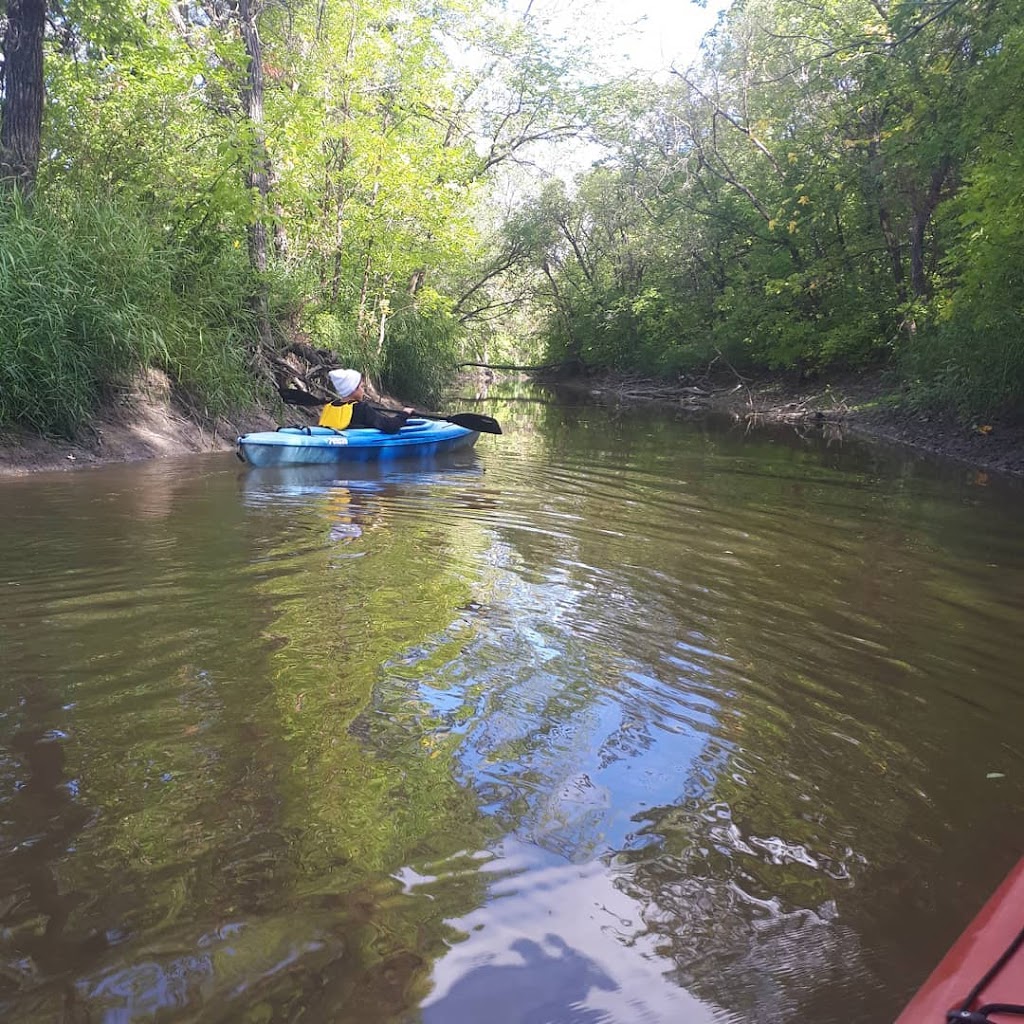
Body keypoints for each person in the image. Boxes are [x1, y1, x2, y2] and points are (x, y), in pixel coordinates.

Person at [320, 368, 414, 434]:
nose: (363, 391)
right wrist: (404, 414)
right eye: (361, 387)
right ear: (353, 389)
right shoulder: (361, 408)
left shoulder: (330, 406)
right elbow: (390, 426)